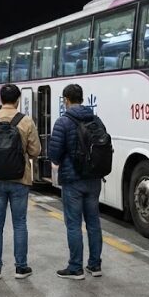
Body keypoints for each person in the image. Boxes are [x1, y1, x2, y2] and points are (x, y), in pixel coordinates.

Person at [0, 84, 41, 279]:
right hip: (20, 179)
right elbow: (35, 151)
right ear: (18, 99)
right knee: (20, 223)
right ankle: (21, 267)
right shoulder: (26, 121)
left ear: (0, 99)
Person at [48, 84, 105, 279]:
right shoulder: (95, 119)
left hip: (73, 181)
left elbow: (54, 155)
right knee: (93, 223)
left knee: (73, 224)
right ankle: (95, 266)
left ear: (66, 99)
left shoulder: (63, 122)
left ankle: (75, 268)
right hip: (94, 178)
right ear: (82, 98)